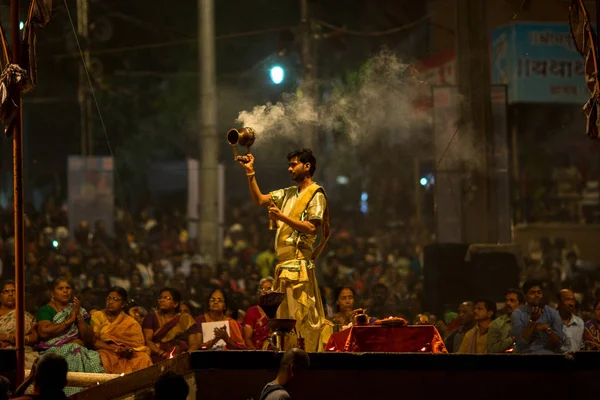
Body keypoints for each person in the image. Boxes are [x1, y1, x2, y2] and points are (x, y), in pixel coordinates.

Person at [238, 149, 331, 352]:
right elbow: (260, 200)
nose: (289, 168)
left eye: (293, 164)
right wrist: (250, 173)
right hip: (283, 268)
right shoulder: (288, 193)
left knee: (302, 319)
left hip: (299, 268)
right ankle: (287, 360)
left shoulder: (316, 194)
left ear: (307, 166)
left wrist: (282, 218)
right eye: (289, 164)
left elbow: (311, 228)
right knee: (283, 323)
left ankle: (306, 360)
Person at [35, 278, 104, 396]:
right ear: (52, 293)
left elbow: (89, 338)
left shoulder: (79, 311)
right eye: (60, 288)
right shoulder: (46, 310)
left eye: (68, 288)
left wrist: (77, 317)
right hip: (52, 351)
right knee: (74, 349)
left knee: (89, 355)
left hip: (79, 349)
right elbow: (44, 332)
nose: (65, 291)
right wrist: (69, 321)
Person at [91, 287, 153, 374]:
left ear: (123, 304)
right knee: (102, 358)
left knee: (143, 358)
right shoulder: (98, 315)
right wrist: (116, 350)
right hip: (105, 350)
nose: (111, 302)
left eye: (115, 299)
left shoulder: (131, 322)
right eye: (109, 298)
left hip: (126, 354)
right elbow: (94, 341)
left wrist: (129, 350)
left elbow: (140, 346)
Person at [142, 288, 201, 363]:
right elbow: (148, 341)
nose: (162, 300)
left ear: (175, 303)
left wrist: (185, 357)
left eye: (166, 298)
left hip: (182, 356)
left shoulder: (185, 318)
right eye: (160, 298)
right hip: (158, 357)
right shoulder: (151, 317)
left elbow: (194, 343)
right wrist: (163, 353)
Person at [511, 280, 564, 354]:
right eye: (532, 293)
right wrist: (533, 321)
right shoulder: (517, 314)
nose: (537, 295)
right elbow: (521, 342)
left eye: (539, 292)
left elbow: (559, 343)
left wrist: (547, 328)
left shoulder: (553, 313)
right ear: (525, 296)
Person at [0, 280, 39, 368]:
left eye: (14, 291)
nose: (10, 294)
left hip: (23, 351)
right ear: (0, 296)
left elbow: (35, 337)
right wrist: (8, 337)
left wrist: (23, 339)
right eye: (6, 291)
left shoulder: (26, 316)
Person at [486, 289, 524, 353]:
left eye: (512, 300)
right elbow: (491, 349)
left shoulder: (529, 321)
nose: (508, 303)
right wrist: (512, 338)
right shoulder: (497, 323)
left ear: (521, 305)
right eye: (506, 300)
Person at [243, 277, 274, 350]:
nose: (265, 291)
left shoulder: (279, 311)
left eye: (269, 289)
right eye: (263, 289)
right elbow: (247, 338)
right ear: (259, 292)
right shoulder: (252, 311)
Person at [557, 288, 584, 353]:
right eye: (567, 299)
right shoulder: (550, 321)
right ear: (559, 302)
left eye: (573, 300)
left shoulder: (579, 322)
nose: (571, 304)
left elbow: (581, 347)